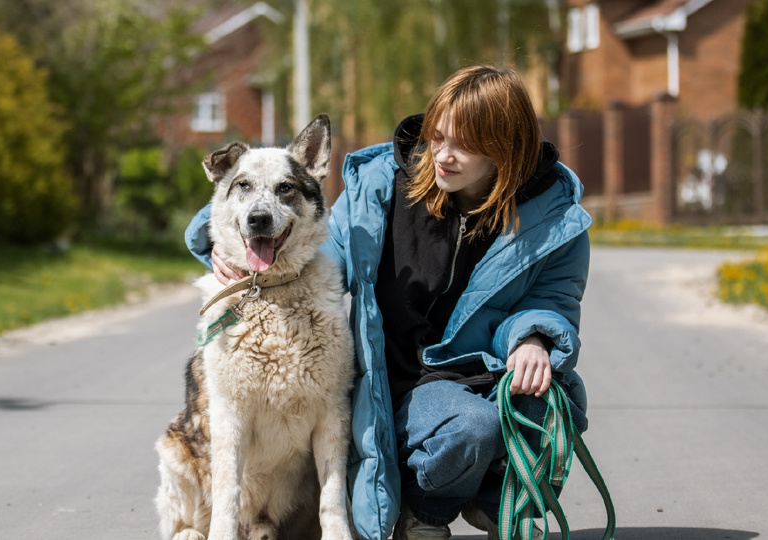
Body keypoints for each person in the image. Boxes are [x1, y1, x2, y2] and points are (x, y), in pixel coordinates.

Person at [186, 64, 591, 540]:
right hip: (405, 380)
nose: (442, 155)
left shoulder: (554, 217)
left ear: (506, 147)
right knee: (472, 427)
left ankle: (490, 496)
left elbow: (555, 296)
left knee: (551, 404)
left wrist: (535, 337)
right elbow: (308, 242)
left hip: (488, 371)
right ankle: (426, 510)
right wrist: (214, 239)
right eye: (437, 136)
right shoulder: (380, 190)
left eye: (463, 145)